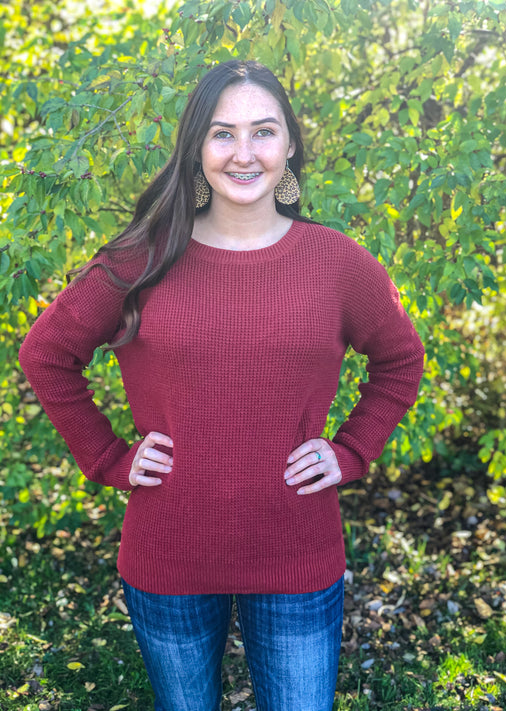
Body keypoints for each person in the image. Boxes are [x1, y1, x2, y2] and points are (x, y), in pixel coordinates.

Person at [19, 60, 425, 711]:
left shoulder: (338, 265)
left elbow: (401, 359)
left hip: (296, 553)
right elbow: (47, 353)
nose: (243, 153)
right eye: (221, 133)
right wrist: (107, 457)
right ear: (195, 147)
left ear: (289, 143)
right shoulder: (142, 258)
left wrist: (349, 451)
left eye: (262, 131)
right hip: (169, 557)